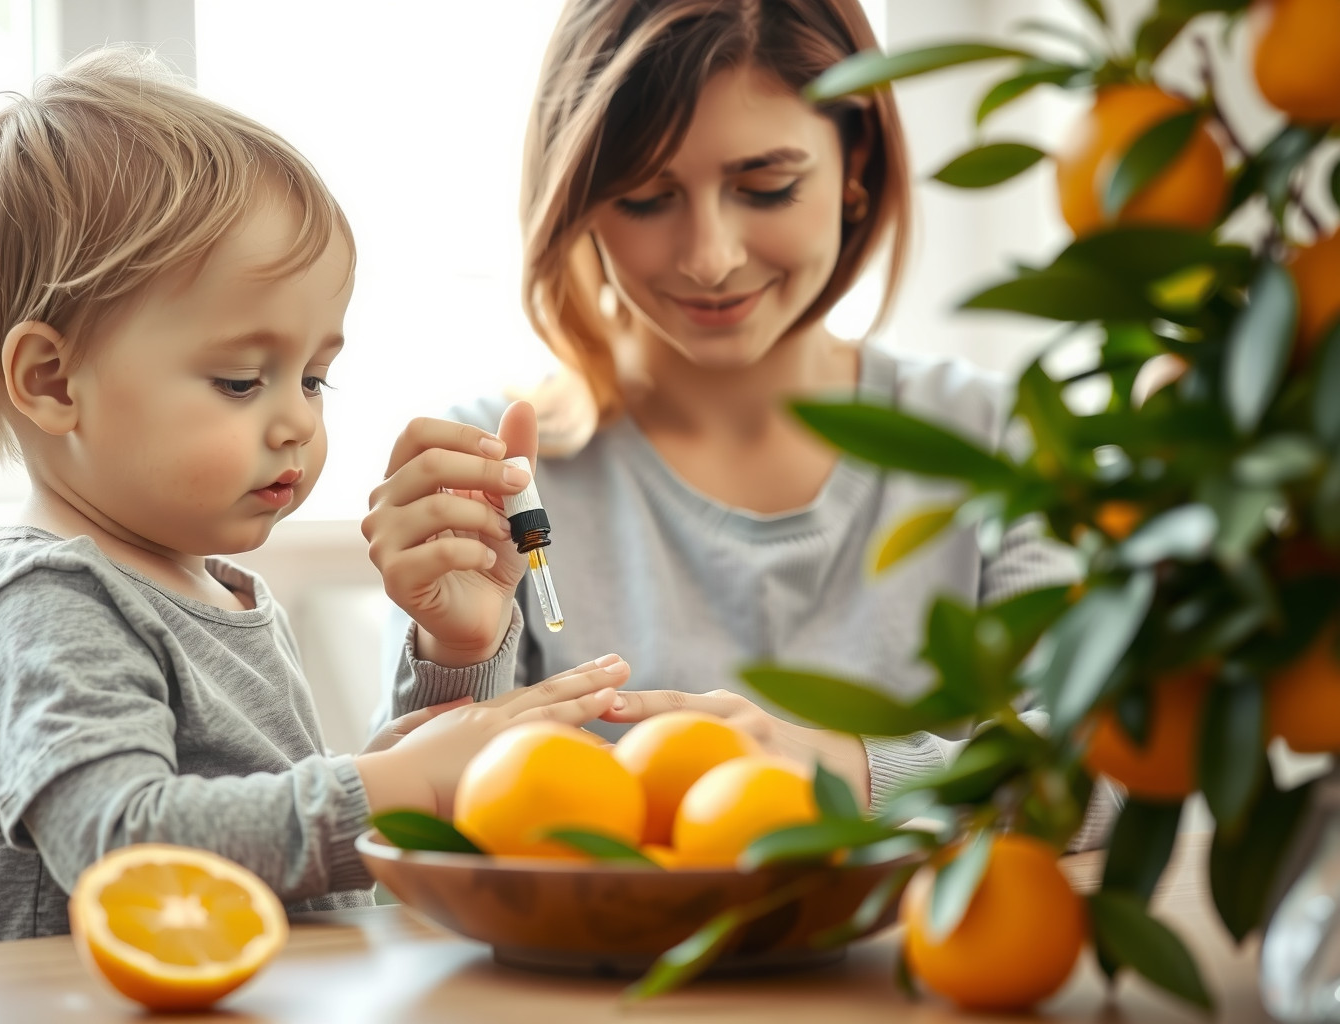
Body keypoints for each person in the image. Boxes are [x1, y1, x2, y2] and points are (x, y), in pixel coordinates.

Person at [0, 47, 631, 949]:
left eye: (316, 378)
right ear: (51, 380)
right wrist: (405, 785)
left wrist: (459, 663)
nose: (296, 424)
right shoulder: (47, 605)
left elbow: (301, 827)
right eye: (243, 381)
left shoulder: (218, 591)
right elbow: (125, 846)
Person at [368, 0, 1098, 825]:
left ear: (857, 161)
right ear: (580, 198)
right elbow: (404, 848)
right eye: (646, 198)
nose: (710, 258)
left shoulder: (994, 437)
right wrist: (457, 656)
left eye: (767, 187)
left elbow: (1105, 774)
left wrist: (838, 774)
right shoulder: (498, 468)